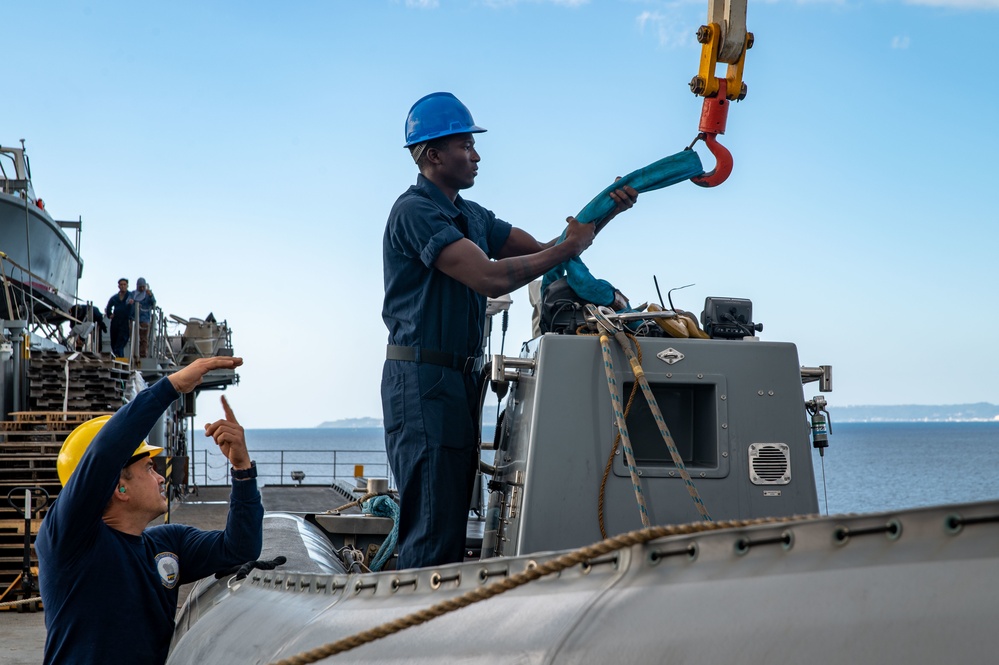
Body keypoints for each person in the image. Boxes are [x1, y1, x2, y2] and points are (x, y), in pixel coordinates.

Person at [381, 92, 638, 569]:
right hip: (421, 384)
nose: (476, 155)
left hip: (457, 382)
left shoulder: (470, 215)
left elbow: (547, 248)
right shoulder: (415, 212)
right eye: (465, 145)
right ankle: (412, 631)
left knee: (452, 517)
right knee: (434, 525)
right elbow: (493, 276)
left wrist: (607, 213)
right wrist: (567, 250)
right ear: (432, 154)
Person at [35, 356, 262, 665]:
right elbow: (104, 455)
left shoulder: (169, 544)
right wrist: (169, 387)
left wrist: (242, 470)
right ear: (119, 487)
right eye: (149, 467)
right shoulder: (69, 543)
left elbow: (239, 549)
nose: (160, 477)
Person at [129, 277, 156, 357]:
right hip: (133, 319)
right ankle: (132, 354)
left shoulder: (148, 295)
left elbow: (154, 303)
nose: (141, 288)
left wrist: (151, 295)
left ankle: (142, 355)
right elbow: (128, 301)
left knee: (143, 338)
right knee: (133, 338)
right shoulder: (133, 293)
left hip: (144, 319)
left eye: (143, 287)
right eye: (140, 286)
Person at [105, 277, 132, 357]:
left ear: (127, 285)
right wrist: (109, 315)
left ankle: (119, 359)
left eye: (124, 284)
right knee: (114, 342)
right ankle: (119, 358)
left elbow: (135, 307)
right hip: (115, 321)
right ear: (118, 286)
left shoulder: (130, 296)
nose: (123, 286)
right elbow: (108, 307)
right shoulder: (115, 298)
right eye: (121, 285)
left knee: (120, 343)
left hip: (125, 321)